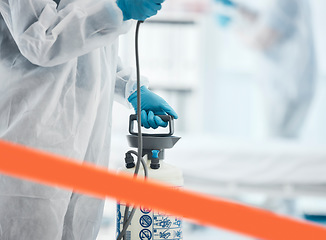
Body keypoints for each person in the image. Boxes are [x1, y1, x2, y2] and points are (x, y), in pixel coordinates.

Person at [0, 0, 177, 239]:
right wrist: (118, 9)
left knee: (78, 226)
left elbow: (89, 50)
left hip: (85, 140)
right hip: (32, 136)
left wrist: (130, 89)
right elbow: (39, 40)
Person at [215, 0, 315, 138]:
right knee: (282, 140)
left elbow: (260, 40)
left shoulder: (284, 2)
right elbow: (268, 19)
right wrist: (238, 9)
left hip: (285, 87)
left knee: (278, 142)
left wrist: (232, 26)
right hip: (289, 84)